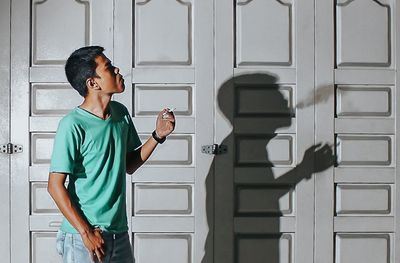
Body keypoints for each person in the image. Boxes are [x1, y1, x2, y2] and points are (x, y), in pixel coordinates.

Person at [47, 46, 176, 263]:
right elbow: (54, 185)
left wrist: (157, 136)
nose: (117, 70)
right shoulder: (72, 125)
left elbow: (128, 165)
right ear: (93, 83)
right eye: (108, 68)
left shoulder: (120, 113)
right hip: (83, 237)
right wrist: (86, 233)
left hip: (119, 233)